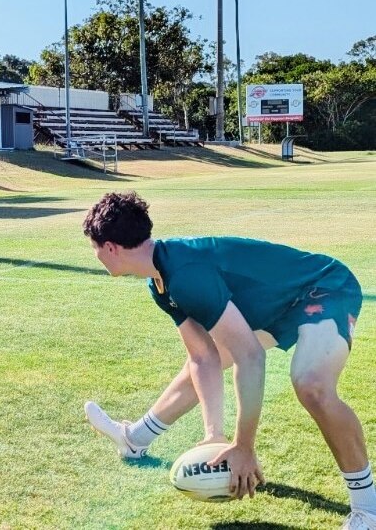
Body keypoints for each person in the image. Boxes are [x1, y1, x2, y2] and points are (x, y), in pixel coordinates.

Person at [82, 191, 371, 529]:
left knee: (311, 384)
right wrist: (213, 434)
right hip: (278, 306)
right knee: (211, 359)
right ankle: (136, 438)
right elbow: (203, 359)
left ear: (111, 247)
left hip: (323, 287)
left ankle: (368, 507)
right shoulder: (158, 281)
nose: (97, 255)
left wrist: (243, 446)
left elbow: (249, 356)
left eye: (96, 247)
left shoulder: (185, 274)